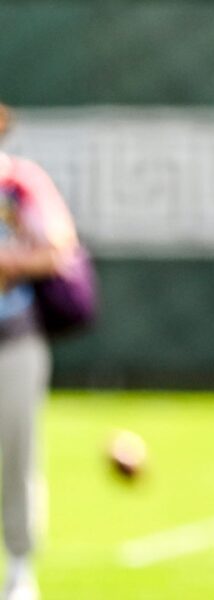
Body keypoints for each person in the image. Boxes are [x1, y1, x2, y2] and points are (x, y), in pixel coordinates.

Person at [0, 103, 78, 600]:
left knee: (15, 453)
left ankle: (20, 567)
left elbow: (58, 247)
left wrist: (9, 261)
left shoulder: (19, 184)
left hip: (13, 339)